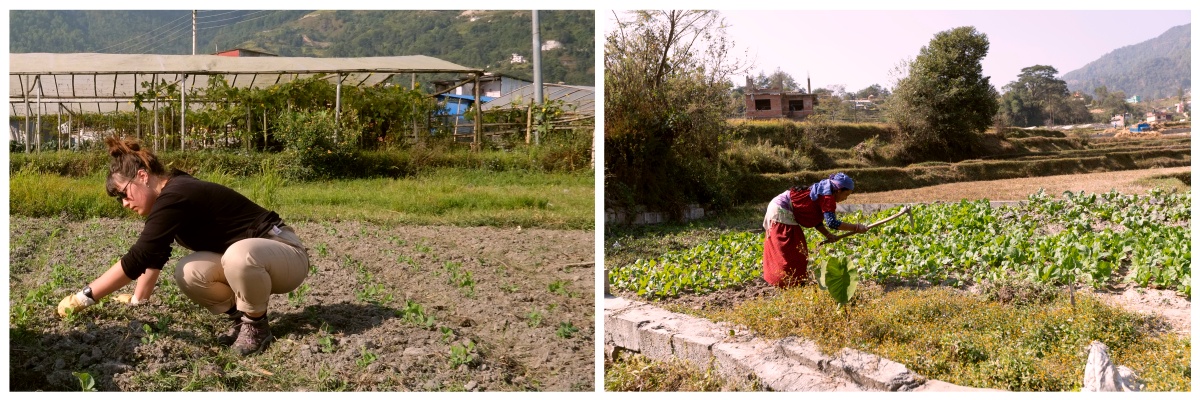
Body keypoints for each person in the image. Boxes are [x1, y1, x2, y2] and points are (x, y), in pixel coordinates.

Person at [57, 137, 310, 356]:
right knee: (188, 271)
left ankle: (256, 327)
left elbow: (139, 256)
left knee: (238, 255)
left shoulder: (177, 194)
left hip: (284, 252)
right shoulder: (171, 196)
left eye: (124, 193)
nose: (124, 203)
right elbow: (154, 254)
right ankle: (242, 320)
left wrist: (84, 298)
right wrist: (138, 299)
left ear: (143, 176)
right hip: (250, 262)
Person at [761, 172, 868, 288]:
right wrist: (856, 227)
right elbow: (832, 223)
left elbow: (814, 218)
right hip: (782, 209)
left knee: (799, 250)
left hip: (783, 208)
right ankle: (787, 283)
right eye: (845, 195)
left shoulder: (825, 191)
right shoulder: (827, 197)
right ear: (838, 190)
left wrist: (827, 234)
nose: (845, 198)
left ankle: (794, 282)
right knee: (791, 251)